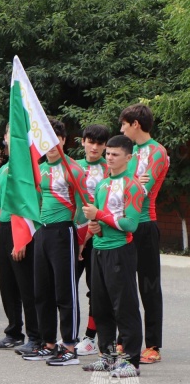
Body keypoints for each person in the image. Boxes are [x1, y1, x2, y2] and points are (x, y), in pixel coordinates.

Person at [22, 118, 89, 366]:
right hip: (43, 232)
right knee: (42, 291)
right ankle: (48, 344)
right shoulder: (39, 167)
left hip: (64, 232)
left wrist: (80, 239)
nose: (51, 145)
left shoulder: (73, 169)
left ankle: (69, 346)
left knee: (65, 291)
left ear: (62, 140)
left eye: (56, 140)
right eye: (46, 140)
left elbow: (84, 205)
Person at [81, 135, 144, 378]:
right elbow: (96, 221)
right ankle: (107, 356)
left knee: (124, 306)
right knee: (101, 305)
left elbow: (130, 224)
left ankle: (131, 361)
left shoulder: (132, 185)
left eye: (115, 154)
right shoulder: (102, 185)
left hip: (120, 251)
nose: (109, 157)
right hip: (98, 250)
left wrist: (100, 215)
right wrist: (94, 226)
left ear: (128, 158)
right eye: (108, 153)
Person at [119, 103, 170, 365]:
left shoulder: (157, 152)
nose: (121, 129)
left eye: (124, 125)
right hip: (124, 224)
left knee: (148, 286)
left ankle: (152, 345)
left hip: (145, 224)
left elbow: (142, 190)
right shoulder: (127, 151)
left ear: (135, 124)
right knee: (123, 285)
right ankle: (126, 339)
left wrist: (125, 183)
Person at [0, 125, 40, 351]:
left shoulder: (30, 170)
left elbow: (29, 206)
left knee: (26, 287)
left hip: (23, 231)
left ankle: (35, 337)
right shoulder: (4, 169)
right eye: (8, 133)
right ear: (5, 137)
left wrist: (22, 240)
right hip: (5, 229)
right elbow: (1, 206)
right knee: (7, 286)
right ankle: (13, 332)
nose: (11, 137)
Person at [74, 124, 110, 356]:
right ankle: (68, 336)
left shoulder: (111, 168)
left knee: (96, 289)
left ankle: (90, 338)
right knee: (65, 287)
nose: (94, 147)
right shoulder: (73, 167)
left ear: (105, 145)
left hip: (99, 234)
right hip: (73, 233)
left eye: (99, 143)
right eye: (90, 141)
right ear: (83, 141)